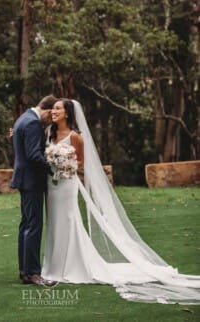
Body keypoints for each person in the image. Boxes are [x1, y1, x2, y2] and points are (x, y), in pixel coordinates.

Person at [42, 98, 200, 304]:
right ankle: (52, 266)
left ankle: (71, 265)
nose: (53, 112)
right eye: (53, 108)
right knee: (53, 223)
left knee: (69, 222)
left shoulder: (76, 137)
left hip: (67, 184)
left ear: (67, 113)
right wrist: (51, 159)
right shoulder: (48, 133)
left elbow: (82, 162)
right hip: (51, 186)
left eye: (57, 108)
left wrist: (64, 162)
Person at [10, 95, 57, 286]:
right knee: (33, 226)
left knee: (27, 225)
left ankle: (25, 270)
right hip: (31, 181)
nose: (50, 119)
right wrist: (53, 168)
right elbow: (33, 155)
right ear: (46, 110)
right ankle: (33, 273)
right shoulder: (32, 123)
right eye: (51, 115)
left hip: (25, 179)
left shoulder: (23, 118)